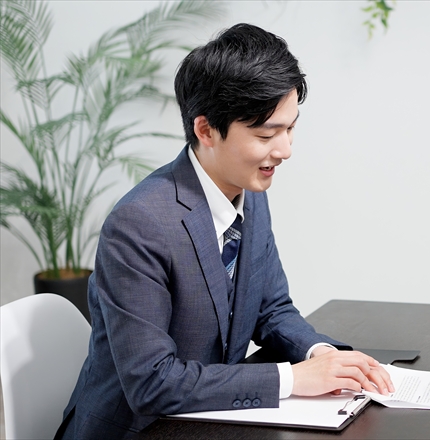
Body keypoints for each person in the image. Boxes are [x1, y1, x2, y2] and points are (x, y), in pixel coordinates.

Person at [56, 23, 393, 439]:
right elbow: (152, 382)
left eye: (290, 128)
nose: (285, 150)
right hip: (138, 430)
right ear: (205, 130)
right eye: (266, 134)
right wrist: (292, 379)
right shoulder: (139, 224)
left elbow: (270, 308)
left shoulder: (249, 193)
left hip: (209, 421)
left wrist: (320, 355)